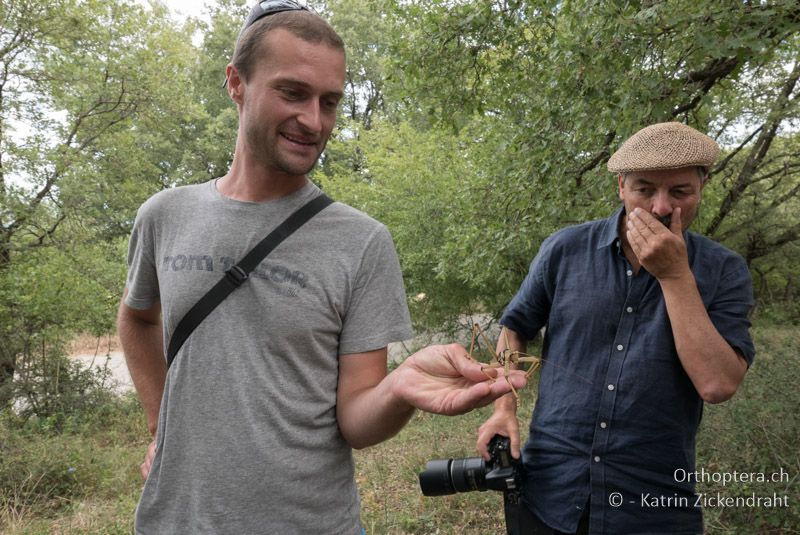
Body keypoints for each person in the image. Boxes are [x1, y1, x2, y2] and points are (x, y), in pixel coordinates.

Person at [117, 3, 526, 533]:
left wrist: (400, 388)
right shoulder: (164, 214)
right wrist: (160, 425)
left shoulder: (362, 241)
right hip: (173, 520)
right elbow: (137, 318)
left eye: (329, 102)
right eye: (293, 92)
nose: (314, 121)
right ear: (236, 83)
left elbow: (355, 419)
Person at [476, 122, 755, 534]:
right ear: (621, 186)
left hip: (653, 507)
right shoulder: (564, 249)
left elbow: (717, 385)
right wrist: (503, 407)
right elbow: (515, 327)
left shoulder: (724, 270)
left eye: (680, 191)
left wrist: (676, 277)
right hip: (548, 491)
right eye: (644, 189)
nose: (661, 207)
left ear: (702, 186)